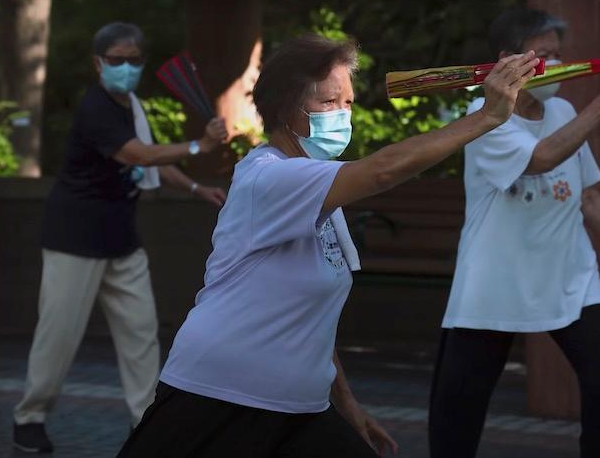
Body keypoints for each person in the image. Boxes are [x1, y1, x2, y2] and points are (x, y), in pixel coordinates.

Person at [115, 34, 539, 458]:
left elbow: (311, 315)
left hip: (299, 407)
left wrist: (347, 403)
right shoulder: (268, 177)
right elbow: (382, 172)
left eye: (348, 103)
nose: (342, 114)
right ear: (284, 110)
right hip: (219, 394)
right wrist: (487, 116)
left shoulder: (316, 182)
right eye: (327, 102)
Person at [428, 9, 600, 458]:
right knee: (461, 404)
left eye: (557, 54)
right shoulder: (484, 116)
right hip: (496, 279)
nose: (553, 64)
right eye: (542, 54)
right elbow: (542, 157)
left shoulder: (564, 110)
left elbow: (588, 196)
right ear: (508, 60)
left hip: (570, 271)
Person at [12, 22, 228, 453]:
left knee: (141, 333)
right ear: (98, 63)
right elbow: (138, 154)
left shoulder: (133, 105)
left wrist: (194, 187)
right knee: (59, 336)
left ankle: (144, 422)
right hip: (74, 239)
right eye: (116, 61)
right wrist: (197, 148)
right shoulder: (95, 109)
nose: (125, 68)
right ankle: (29, 417)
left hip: (121, 239)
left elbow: (150, 163)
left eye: (133, 61)